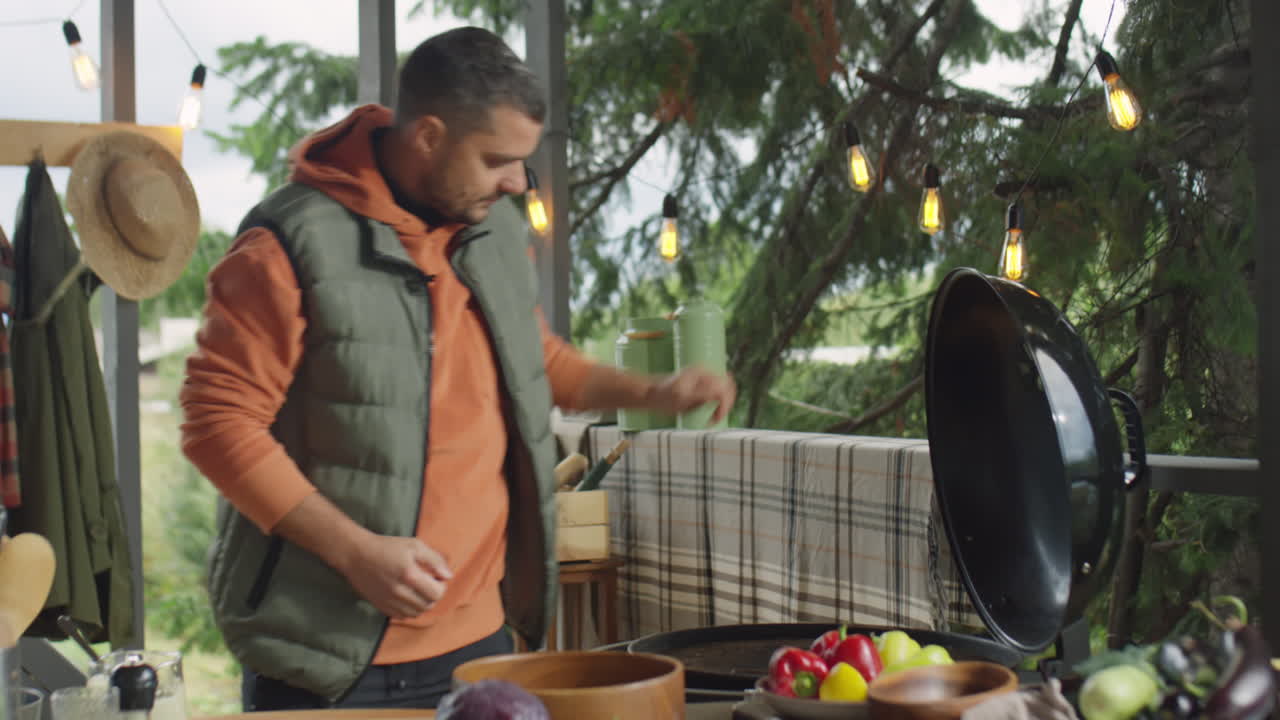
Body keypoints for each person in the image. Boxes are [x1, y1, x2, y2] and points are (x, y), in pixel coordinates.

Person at [179, 26, 734, 711]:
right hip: (328, 658)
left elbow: (534, 360)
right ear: (430, 136)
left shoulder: (493, 227)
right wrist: (356, 553)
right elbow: (216, 423)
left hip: (481, 642)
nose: (516, 183)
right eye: (498, 159)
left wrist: (655, 391)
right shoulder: (287, 245)